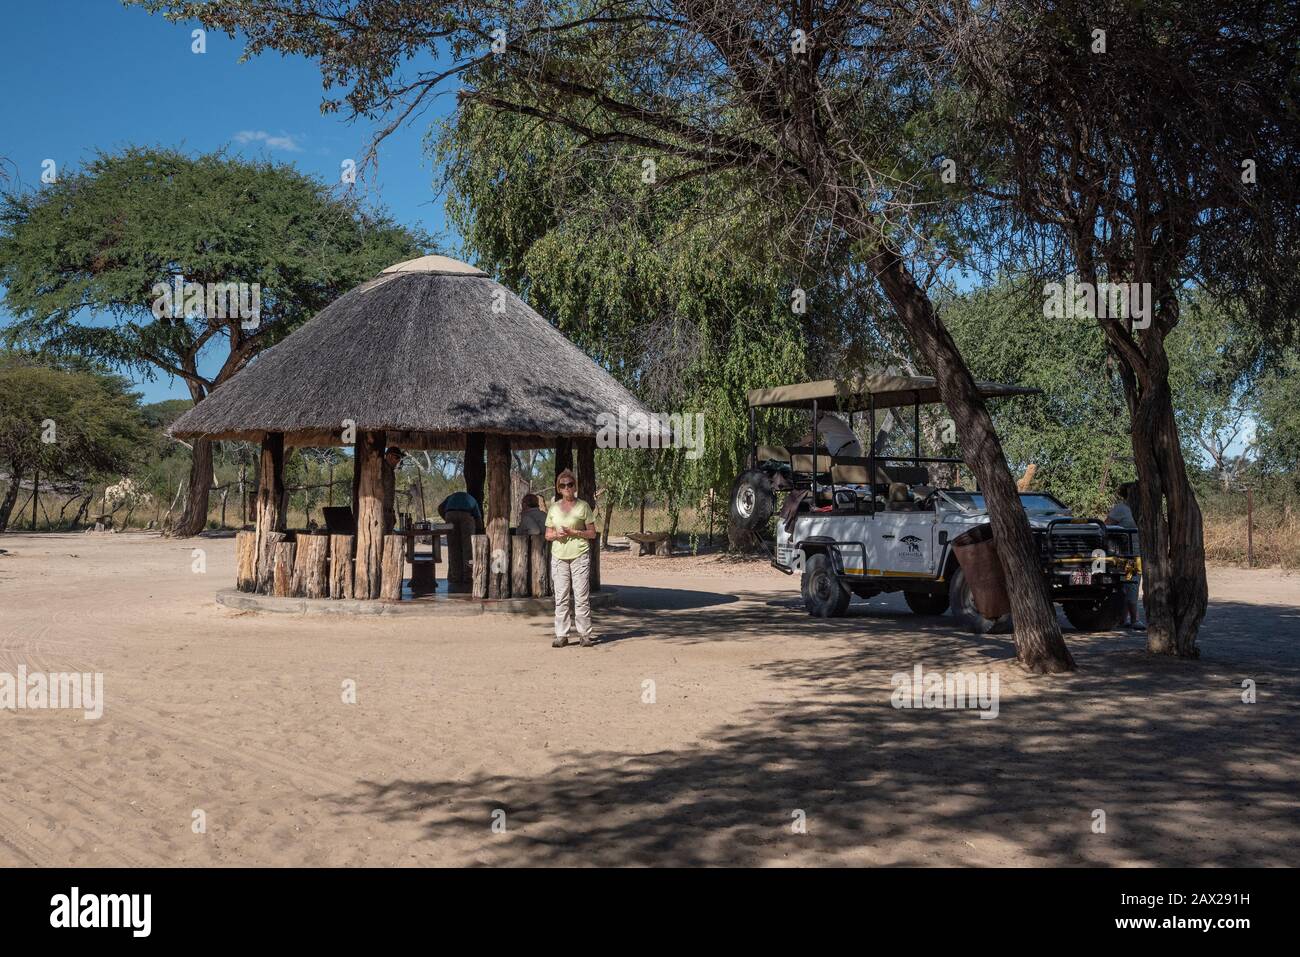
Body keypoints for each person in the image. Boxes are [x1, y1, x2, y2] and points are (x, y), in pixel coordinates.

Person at [546, 469, 598, 648]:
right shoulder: (553, 508)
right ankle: (561, 634)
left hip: (579, 554)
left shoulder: (583, 506)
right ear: (558, 488)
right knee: (561, 596)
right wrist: (556, 535)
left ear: (575, 486)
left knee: (581, 595)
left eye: (570, 484)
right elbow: (547, 534)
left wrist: (576, 532)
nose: (567, 488)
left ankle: (585, 634)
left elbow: (592, 533)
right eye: (563, 485)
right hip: (559, 555)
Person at [1106, 482, 1145, 631]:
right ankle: (1135, 619)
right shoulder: (1121, 509)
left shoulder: (1142, 508)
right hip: (1127, 553)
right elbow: (1107, 526)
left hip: (1140, 551)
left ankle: (1124, 618)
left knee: (1131, 583)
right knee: (1131, 583)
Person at [798, 412, 862, 457]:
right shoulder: (829, 421)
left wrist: (797, 445)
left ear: (817, 417)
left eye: (812, 421)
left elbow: (810, 437)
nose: (813, 423)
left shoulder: (824, 421)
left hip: (847, 449)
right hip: (849, 448)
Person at [381, 447, 404, 533]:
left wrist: (391, 513)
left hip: (388, 514)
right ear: (389, 456)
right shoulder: (381, 468)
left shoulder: (391, 471)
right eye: (397, 457)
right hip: (381, 514)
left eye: (400, 458)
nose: (399, 461)